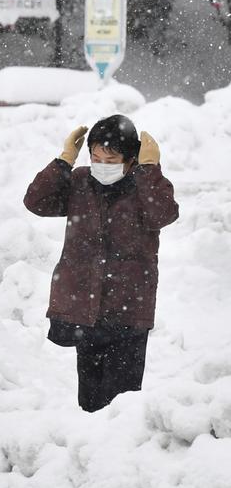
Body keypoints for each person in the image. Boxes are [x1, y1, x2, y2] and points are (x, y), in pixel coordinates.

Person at [23, 114, 179, 412]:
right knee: (90, 404)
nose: (102, 167)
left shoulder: (143, 188)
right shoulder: (81, 182)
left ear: (130, 160)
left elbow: (163, 214)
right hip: (87, 312)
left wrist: (149, 169)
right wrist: (64, 160)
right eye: (96, 158)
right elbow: (36, 201)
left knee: (121, 408)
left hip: (127, 313)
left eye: (111, 160)